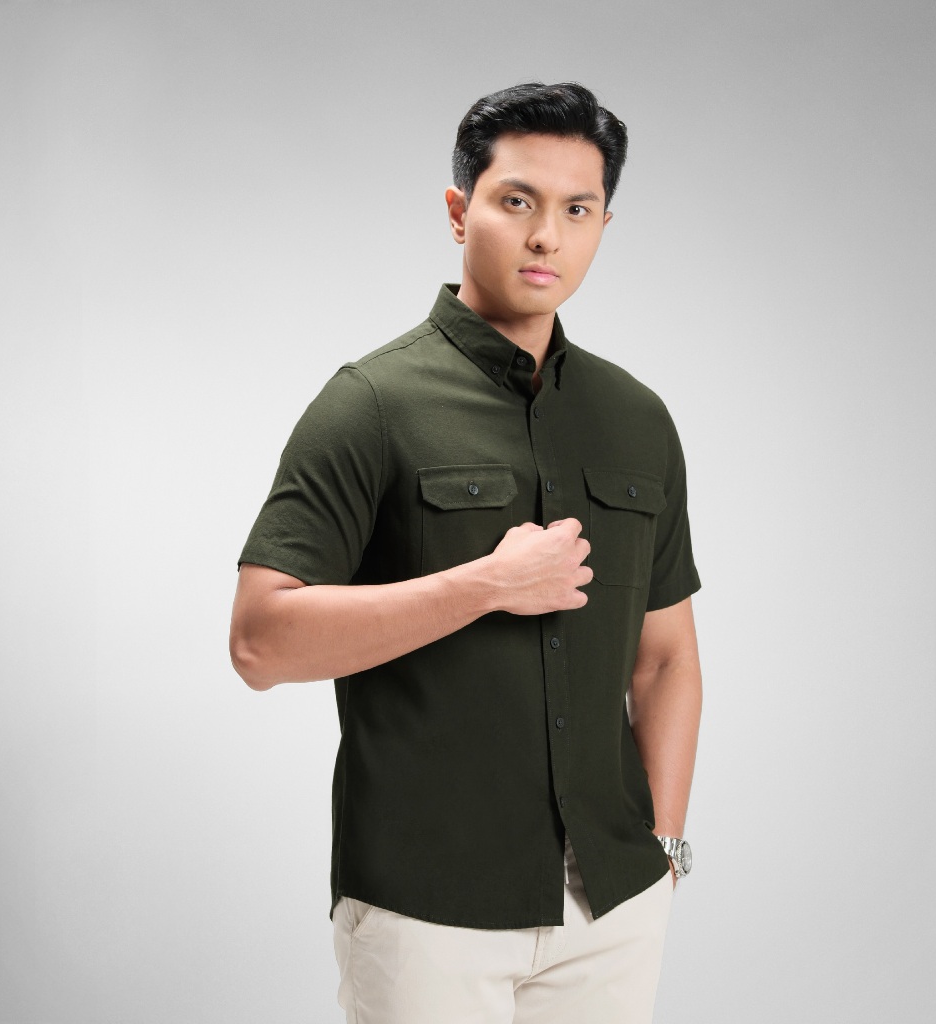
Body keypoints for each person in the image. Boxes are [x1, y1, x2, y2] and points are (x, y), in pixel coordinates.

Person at [230, 81, 702, 1024]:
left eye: (578, 210)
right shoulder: (370, 403)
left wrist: (662, 850)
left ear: (605, 224)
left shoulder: (638, 418)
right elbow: (259, 643)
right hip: (425, 910)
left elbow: (665, 659)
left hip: (611, 907)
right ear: (459, 211)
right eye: (517, 201)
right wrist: (486, 584)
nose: (546, 237)